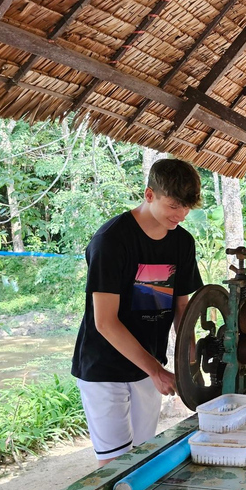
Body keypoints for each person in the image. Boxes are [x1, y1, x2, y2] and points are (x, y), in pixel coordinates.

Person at [71, 158, 204, 466]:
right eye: (173, 206)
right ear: (149, 195)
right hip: (104, 368)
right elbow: (104, 322)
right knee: (114, 466)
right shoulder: (112, 241)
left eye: (186, 208)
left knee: (143, 459)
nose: (181, 215)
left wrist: (189, 353)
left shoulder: (182, 242)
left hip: (147, 364)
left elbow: (181, 306)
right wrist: (156, 371)